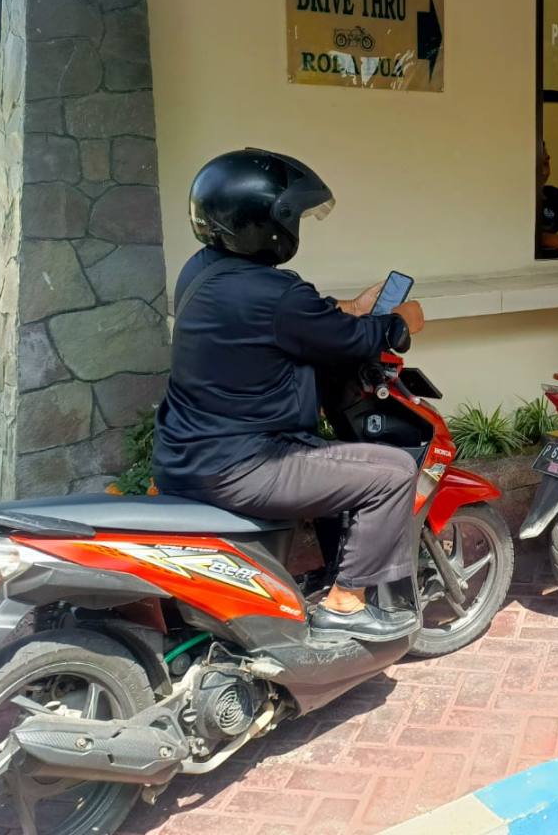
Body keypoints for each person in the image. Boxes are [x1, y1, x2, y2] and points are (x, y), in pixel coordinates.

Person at [153, 148, 427, 641]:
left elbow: (302, 322)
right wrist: (399, 322)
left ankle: (326, 578)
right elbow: (355, 339)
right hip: (245, 464)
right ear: (267, 221)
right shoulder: (275, 292)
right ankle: (345, 604)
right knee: (393, 473)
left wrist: (353, 306)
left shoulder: (202, 270)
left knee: (337, 466)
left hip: (188, 455)